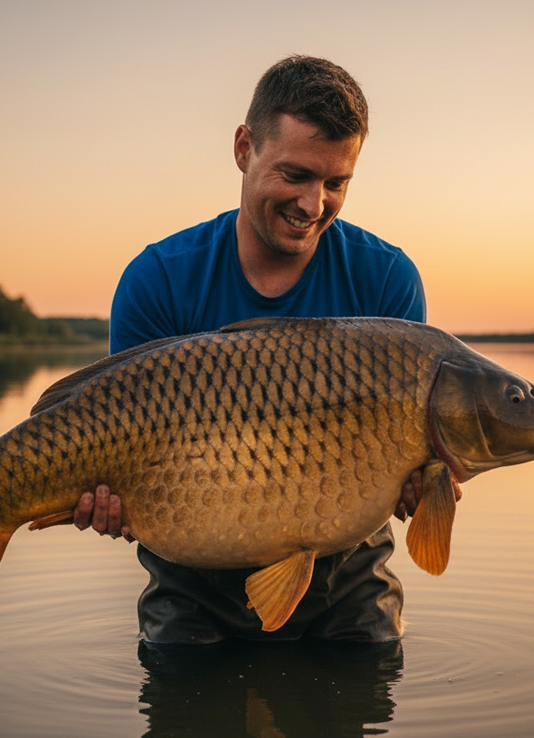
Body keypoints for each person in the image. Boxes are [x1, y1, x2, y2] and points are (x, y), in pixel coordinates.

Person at [74, 55, 427, 644]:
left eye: (335, 183)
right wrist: (110, 501)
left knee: (368, 674)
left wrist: (424, 481)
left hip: (346, 572)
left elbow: (407, 464)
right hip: (194, 571)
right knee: (179, 683)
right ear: (244, 148)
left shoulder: (386, 281)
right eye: (295, 175)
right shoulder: (159, 279)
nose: (313, 205)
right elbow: (117, 441)